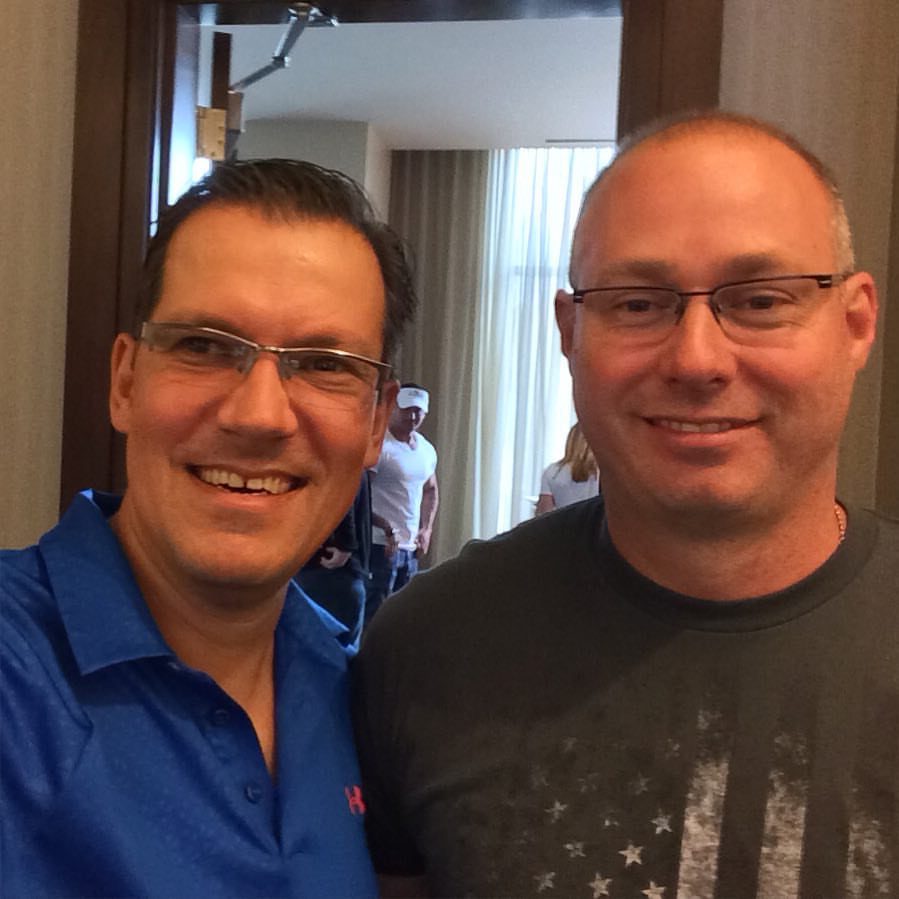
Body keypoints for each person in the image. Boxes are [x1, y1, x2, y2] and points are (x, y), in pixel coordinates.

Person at [352, 111, 897, 897]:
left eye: (758, 300)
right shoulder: (424, 647)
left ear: (854, 322)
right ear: (569, 332)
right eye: (637, 303)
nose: (697, 359)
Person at [1, 159, 417, 897]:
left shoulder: (355, 693)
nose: (259, 415)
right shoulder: (17, 672)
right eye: (204, 346)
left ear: (376, 423)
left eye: (324, 363)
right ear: (126, 381)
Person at [364, 383, 439, 627]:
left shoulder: (425, 449)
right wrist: (385, 526)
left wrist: (426, 529)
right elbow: (358, 496)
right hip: (379, 546)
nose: (413, 416)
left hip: (409, 548)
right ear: (393, 408)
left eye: (418, 411)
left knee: (403, 616)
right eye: (407, 409)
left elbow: (430, 489)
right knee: (375, 616)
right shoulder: (379, 446)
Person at [297, 473, 372, 652]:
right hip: (330, 569)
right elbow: (342, 485)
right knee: (333, 651)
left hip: (328, 568)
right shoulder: (347, 462)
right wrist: (345, 544)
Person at [535, 421, 600, 514]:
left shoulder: (552, 471)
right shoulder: (602, 472)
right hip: (594, 522)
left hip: (564, 522)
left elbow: (544, 512)